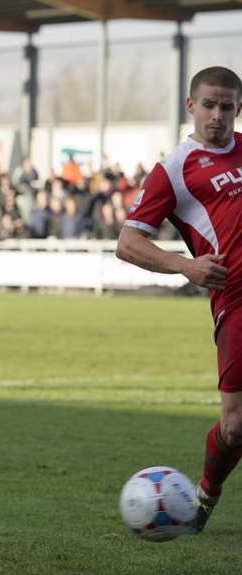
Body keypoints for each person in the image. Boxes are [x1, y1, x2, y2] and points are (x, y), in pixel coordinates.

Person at [116, 66, 242, 533]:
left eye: (226, 106)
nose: (217, 115)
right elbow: (128, 242)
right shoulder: (174, 169)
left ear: (237, 109)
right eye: (208, 105)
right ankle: (207, 493)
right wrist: (187, 267)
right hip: (237, 300)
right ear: (191, 106)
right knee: (235, 429)